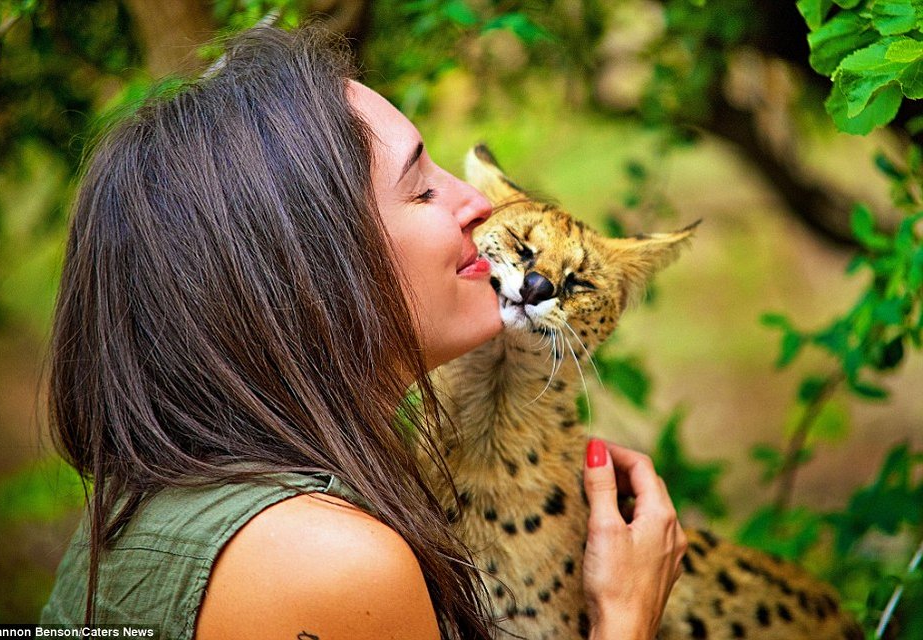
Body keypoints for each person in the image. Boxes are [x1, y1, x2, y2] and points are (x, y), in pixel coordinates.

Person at [40, 25, 686, 640]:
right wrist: (625, 620)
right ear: (318, 268)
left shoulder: (153, 486)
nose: (479, 203)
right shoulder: (334, 566)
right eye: (424, 189)